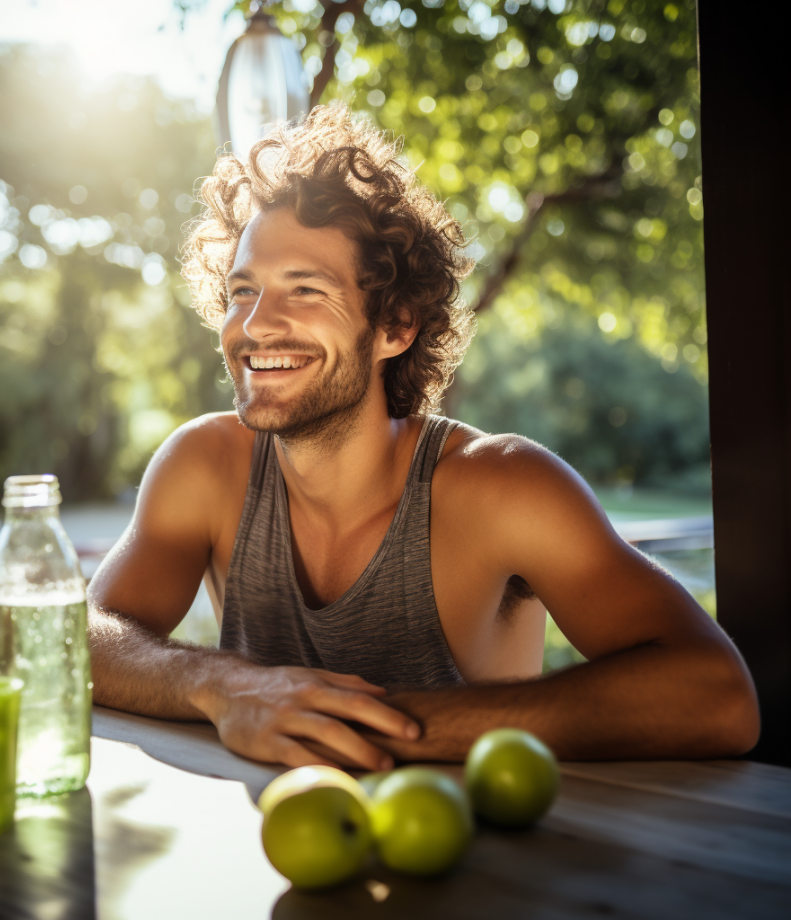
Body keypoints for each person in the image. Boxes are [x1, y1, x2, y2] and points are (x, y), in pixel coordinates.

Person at [87, 106, 759, 772]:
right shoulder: (204, 465)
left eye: (305, 290)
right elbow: (76, 640)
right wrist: (226, 686)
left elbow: (719, 696)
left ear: (396, 326)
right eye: (243, 291)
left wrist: (372, 728)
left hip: (491, 866)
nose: (257, 326)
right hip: (276, 862)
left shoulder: (503, 486)